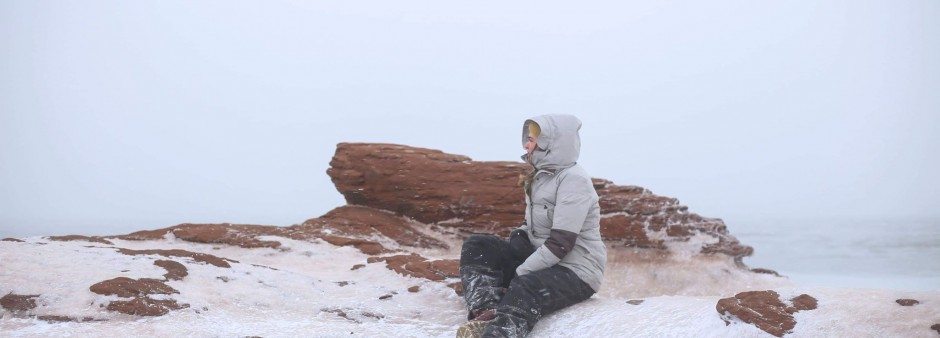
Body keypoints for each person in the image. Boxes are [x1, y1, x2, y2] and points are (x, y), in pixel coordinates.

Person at [457, 114, 607, 338]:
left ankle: (501, 331)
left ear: (550, 143)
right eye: (526, 139)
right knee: (478, 245)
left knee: (526, 287)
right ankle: (487, 309)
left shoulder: (574, 181)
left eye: (532, 140)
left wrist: (520, 272)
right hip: (544, 260)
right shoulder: (540, 176)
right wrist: (520, 234)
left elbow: (561, 244)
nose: (526, 145)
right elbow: (533, 225)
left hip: (576, 271)